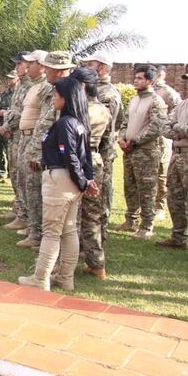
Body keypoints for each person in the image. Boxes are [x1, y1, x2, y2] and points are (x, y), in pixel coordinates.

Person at [18, 76, 97, 291]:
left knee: (52, 231)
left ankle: (40, 278)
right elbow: (85, 157)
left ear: (66, 97)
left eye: (56, 94)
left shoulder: (64, 123)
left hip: (61, 179)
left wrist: (82, 181)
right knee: (69, 230)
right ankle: (65, 278)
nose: (53, 98)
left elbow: (71, 156)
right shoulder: (80, 122)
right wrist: (86, 180)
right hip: (72, 181)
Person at [116, 64, 168, 238]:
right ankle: (131, 220)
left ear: (150, 81)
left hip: (146, 152)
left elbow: (156, 127)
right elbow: (125, 123)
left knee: (146, 189)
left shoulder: (156, 101)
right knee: (129, 186)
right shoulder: (135, 100)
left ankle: (147, 226)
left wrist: (135, 141)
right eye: (135, 77)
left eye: (140, 78)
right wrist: (122, 138)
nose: (135, 81)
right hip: (130, 151)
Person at [72, 68, 112, 280]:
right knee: (93, 215)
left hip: (78, 160)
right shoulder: (104, 110)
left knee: (72, 214)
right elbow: (108, 142)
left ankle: (65, 264)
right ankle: (97, 264)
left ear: (82, 86)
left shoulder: (79, 110)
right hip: (96, 160)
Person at [157, 67, 188, 263]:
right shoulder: (182, 105)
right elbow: (164, 127)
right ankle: (178, 237)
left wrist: (176, 129)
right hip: (178, 156)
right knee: (174, 197)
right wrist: (178, 129)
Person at [81, 51, 123, 240]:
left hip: (101, 151)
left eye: (91, 64)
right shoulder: (91, 89)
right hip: (88, 150)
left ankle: (99, 238)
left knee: (98, 197)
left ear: (103, 68)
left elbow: (104, 126)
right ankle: (86, 239)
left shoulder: (107, 93)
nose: (87, 68)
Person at [0, 52, 32, 223]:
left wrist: (7, 126)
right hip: (14, 135)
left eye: (19, 64)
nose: (16, 67)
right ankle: (18, 208)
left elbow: (25, 113)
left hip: (22, 135)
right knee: (15, 173)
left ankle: (23, 214)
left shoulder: (32, 86)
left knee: (21, 175)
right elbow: (13, 110)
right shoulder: (21, 85)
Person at [153, 65, 182, 221]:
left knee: (162, 172)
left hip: (163, 137)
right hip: (149, 137)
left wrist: (169, 127)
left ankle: (160, 206)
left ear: (161, 74)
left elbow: (178, 110)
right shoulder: (147, 92)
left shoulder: (168, 92)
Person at [0, 70, 18, 181]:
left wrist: (5, 112)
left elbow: (18, 110)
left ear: (17, 78)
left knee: (10, 151)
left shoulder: (18, 93)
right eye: (8, 78)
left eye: (11, 78)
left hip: (12, 126)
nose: (9, 80)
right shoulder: (5, 93)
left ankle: (10, 175)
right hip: (0, 125)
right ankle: (0, 171)